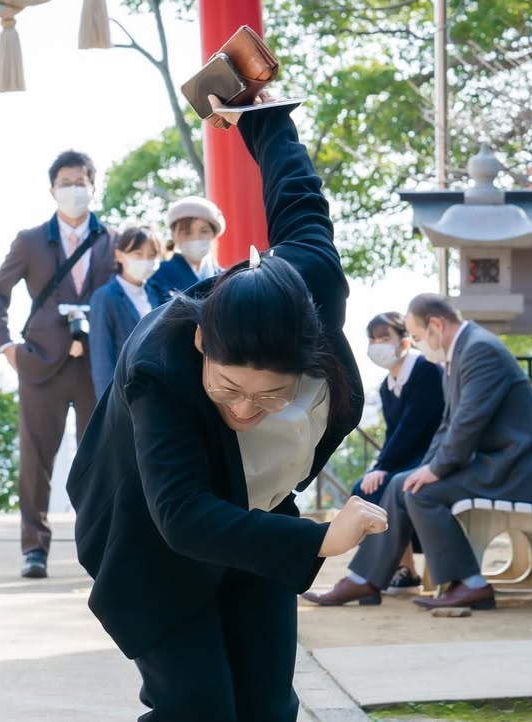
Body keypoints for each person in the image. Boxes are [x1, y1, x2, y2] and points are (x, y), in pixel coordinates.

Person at [66, 98, 387, 722]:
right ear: (200, 346)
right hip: (147, 531)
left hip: (256, 510)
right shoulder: (160, 369)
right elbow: (182, 516)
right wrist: (323, 540)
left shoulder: (312, 283)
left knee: (267, 705)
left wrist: (259, 115)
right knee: (199, 707)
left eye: (270, 396)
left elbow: (299, 194)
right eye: (229, 389)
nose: (246, 409)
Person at [303, 294, 532, 610]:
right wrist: (429, 466)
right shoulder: (461, 352)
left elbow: (467, 423)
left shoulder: (479, 350)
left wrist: (434, 470)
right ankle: (363, 579)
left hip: (514, 469)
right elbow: (449, 425)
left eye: (418, 337)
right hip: (496, 463)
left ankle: (471, 584)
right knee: (400, 483)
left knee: (421, 492)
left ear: (436, 325)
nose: (418, 345)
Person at [0, 149, 116, 579]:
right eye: (66, 183)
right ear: (52, 190)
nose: (74, 190)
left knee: (98, 456)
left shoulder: (114, 240)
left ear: (93, 187)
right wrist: (5, 345)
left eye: (81, 182)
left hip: (96, 366)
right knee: (36, 458)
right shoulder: (29, 240)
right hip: (40, 363)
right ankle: (34, 549)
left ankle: (98, 545)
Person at [353, 311, 444, 591]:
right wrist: (379, 465)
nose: (377, 344)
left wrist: (383, 466)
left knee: (387, 484)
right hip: (410, 457)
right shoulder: (386, 386)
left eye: (384, 337)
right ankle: (405, 569)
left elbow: (412, 427)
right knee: (364, 488)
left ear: (404, 341)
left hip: (434, 455)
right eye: (372, 339)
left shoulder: (425, 370)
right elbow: (395, 434)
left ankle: (392, 570)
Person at [88, 226, 163, 394]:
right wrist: (108, 410)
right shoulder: (105, 297)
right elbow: (102, 360)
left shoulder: (159, 293)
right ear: (119, 255)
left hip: (161, 392)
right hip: (126, 394)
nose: (145, 261)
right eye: (137, 254)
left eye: (151, 256)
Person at [147, 195, 225, 305]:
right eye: (187, 233)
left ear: (213, 235)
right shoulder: (157, 275)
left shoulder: (225, 277)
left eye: (204, 231)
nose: (196, 239)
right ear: (174, 236)